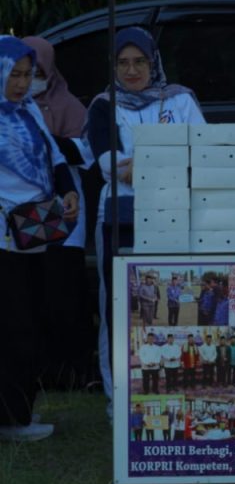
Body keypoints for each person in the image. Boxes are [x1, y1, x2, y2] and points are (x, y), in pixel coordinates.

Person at [85, 28, 204, 398]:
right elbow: (112, 164)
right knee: (118, 307)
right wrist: (165, 163)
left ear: (154, 63)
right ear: (113, 66)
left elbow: (200, 154)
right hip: (122, 220)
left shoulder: (181, 100)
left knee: (176, 303)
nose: (132, 70)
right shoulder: (104, 105)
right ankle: (117, 396)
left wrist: (142, 164)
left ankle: (172, 388)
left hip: (177, 217)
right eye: (123, 63)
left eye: (140, 61)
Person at [0, 37, 80, 442]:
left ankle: (16, 415)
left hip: (34, 229)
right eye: (13, 74)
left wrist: (68, 191)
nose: (21, 83)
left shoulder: (27, 109)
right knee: (13, 327)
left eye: (27, 75)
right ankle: (11, 419)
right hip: (2, 238)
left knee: (31, 324)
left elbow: (56, 156)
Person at [20, 36, 95, 389]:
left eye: (37, 70)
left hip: (63, 210)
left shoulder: (67, 104)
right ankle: (40, 369)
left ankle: (72, 370)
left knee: (65, 292)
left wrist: (52, 142)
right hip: (25, 213)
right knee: (34, 291)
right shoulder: (11, 107)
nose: (30, 78)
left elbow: (88, 151)